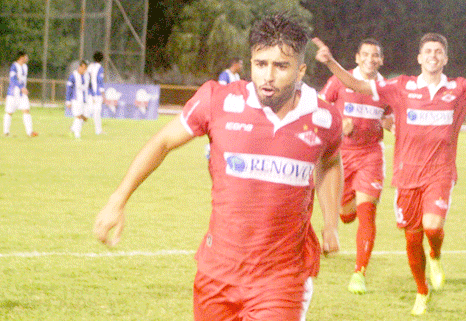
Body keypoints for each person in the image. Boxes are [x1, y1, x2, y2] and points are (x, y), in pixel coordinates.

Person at [94, 14, 343, 320]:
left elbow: (330, 163)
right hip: (218, 272)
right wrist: (117, 201)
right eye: (261, 63)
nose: (268, 75)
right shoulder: (218, 101)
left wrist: (330, 222)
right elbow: (162, 143)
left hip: (282, 278)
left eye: (281, 66)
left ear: (301, 70)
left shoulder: (325, 118)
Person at [313, 34, 466, 315]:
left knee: (432, 226)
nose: (433, 55)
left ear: (445, 59)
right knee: (410, 239)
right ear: (420, 58)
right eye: (428, 51)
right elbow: (356, 83)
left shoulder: (460, 89)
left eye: (438, 52)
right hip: (406, 177)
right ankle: (422, 290)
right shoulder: (400, 87)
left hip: (440, 174)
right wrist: (331, 63)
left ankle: (434, 254)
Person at [319, 38, 393, 294]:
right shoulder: (340, 80)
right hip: (340, 157)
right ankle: (338, 217)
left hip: (371, 156)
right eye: (366, 54)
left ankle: (359, 273)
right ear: (357, 57)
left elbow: (391, 116)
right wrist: (339, 124)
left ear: (381, 60)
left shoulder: (386, 88)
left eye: (376, 55)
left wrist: (390, 123)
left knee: (367, 213)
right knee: (346, 214)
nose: (371, 59)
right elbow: (319, 109)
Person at [3, 51, 38, 137]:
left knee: (26, 110)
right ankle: (6, 132)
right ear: (21, 57)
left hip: (22, 94)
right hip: (13, 93)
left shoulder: (25, 67)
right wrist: (21, 87)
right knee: (9, 112)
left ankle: (30, 132)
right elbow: (13, 79)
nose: (27, 58)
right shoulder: (14, 66)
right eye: (26, 56)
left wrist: (23, 88)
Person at [65, 60, 89, 139]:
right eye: (83, 68)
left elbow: (89, 87)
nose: (84, 70)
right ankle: (77, 135)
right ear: (79, 67)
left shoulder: (87, 76)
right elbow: (69, 89)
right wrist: (68, 101)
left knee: (85, 117)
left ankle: (72, 129)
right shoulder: (73, 76)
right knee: (78, 116)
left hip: (84, 99)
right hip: (76, 99)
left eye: (86, 68)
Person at [87, 51, 106, 134]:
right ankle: (75, 128)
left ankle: (98, 131)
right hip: (96, 93)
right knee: (94, 112)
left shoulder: (89, 66)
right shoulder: (100, 68)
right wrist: (103, 95)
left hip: (89, 92)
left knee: (94, 112)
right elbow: (100, 81)